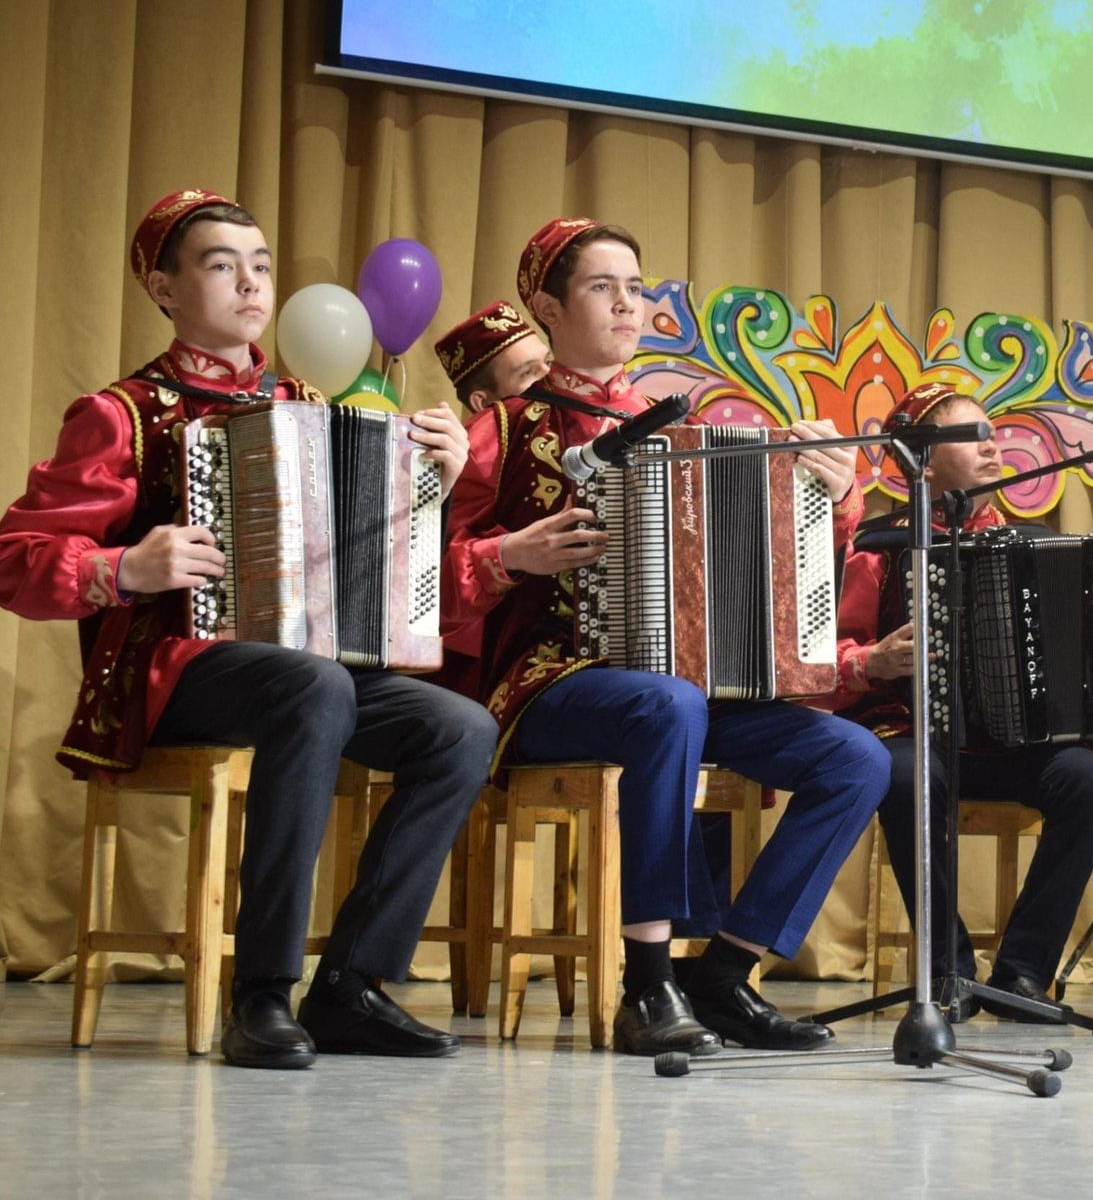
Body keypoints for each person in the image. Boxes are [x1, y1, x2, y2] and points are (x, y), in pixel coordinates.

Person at [0, 189, 497, 1069]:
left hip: (311, 673)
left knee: (458, 725)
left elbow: (393, 563)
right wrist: (122, 568)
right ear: (162, 286)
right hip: (173, 672)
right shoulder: (124, 413)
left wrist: (443, 481)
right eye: (221, 264)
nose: (249, 283)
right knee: (313, 683)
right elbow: (18, 555)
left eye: (261, 265)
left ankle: (351, 982)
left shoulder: (319, 403)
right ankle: (261, 994)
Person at [443, 217, 889, 1055]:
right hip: (545, 682)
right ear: (546, 304)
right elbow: (425, 577)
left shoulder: (683, 430)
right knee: (667, 701)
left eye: (637, 286)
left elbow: (770, 571)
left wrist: (832, 499)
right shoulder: (500, 431)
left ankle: (720, 975)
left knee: (854, 757)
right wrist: (510, 553)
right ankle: (646, 983)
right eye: (602, 286)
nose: (627, 302)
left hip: (676, 689)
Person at [830, 381, 1093, 1018]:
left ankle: (1024, 971)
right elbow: (831, 658)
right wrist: (874, 660)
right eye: (973, 437)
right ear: (922, 457)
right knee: (903, 775)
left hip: (1015, 741)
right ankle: (946, 967)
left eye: (995, 435)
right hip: (915, 729)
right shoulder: (879, 549)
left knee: (1087, 780)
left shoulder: (1039, 543)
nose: (994, 448)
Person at [429, 301, 550, 699]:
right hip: (476, 646)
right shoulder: (494, 429)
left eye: (547, 363)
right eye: (529, 373)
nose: (548, 378)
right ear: (483, 402)